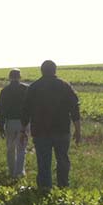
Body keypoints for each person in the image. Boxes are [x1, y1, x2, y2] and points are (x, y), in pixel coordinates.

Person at [21, 60, 81, 190]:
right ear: (55, 70)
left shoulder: (34, 87)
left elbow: (25, 110)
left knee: (43, 162)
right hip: (62, 130)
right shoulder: (65, 86)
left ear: (41, 71)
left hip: (40, 131)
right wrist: (78, 130)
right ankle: (63, 188)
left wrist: (23, 130)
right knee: (63, 160)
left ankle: (44, 189)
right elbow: (74, 109)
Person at [0, 69, 29, 179]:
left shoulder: (5, 91)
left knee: (10, 148)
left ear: (9, 77)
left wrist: (1, 126)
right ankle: (19, 173)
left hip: (10, 122)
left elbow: (0, 109)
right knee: (21, 148)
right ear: (20, 77)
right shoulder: (26, 89)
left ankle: (11, 171)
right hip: (23, 123)